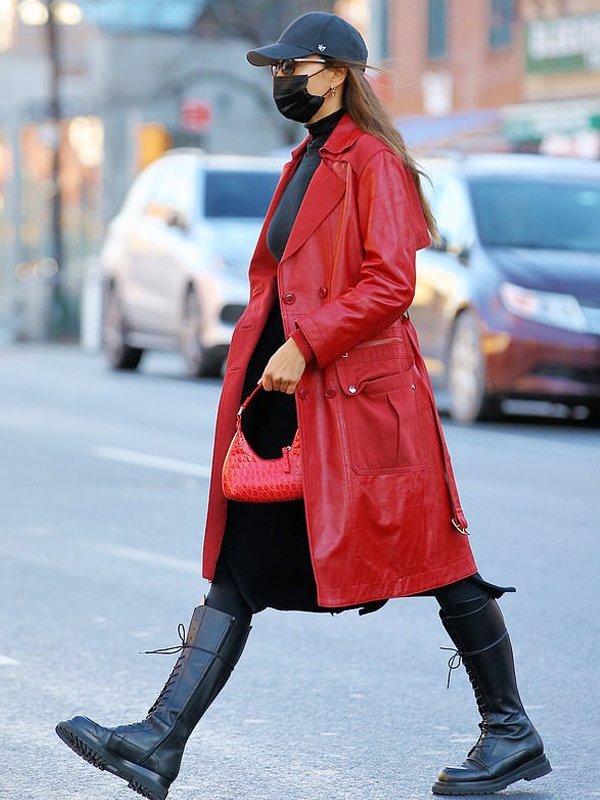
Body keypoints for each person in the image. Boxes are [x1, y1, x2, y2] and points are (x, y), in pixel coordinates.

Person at [55, 11, 551, 800]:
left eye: (295, 66)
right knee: (239, 567)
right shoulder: (309, 159)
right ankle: (158, 741)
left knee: (440, 564)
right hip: (298, 400)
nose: (281, 78)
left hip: (360, 403)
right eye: (278, 67)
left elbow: (391, 284)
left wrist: (306, 342)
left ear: (337, 74)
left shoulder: (371, 162)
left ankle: (511, 731)